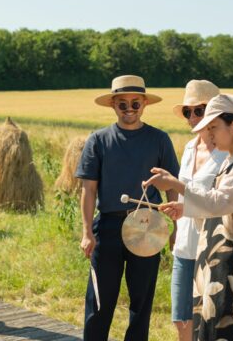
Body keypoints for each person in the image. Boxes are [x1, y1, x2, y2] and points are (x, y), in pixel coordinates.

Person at [144, 93, 233, 341]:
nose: (209, 134)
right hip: (218, 265)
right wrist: (184, 210)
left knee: (229, 330)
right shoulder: (231, 161)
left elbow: (223, 202)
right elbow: (216, 205)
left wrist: (178, 187)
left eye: (214, 127)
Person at [75, 75, 180, 341]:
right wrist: (87, 232)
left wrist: (177, 228)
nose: (130, 109)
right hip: (108, 227)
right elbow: (88, 190)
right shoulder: (98, 140)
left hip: (148, 225)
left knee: (141, 303)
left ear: (145, 103)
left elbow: (172, 188)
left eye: (135, 103)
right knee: (100, 302)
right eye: (123, 104)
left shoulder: (160, 140)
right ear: (113, 105)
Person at [170, 80, 227, 341]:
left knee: (209, 324)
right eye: (187, 111)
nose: (192, 117)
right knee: (182, 320)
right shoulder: (189, 148)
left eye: (199, 110)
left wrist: (181, 195)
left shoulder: (228, 154)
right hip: (184, 246)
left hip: (213, 250)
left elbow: (224, 202)